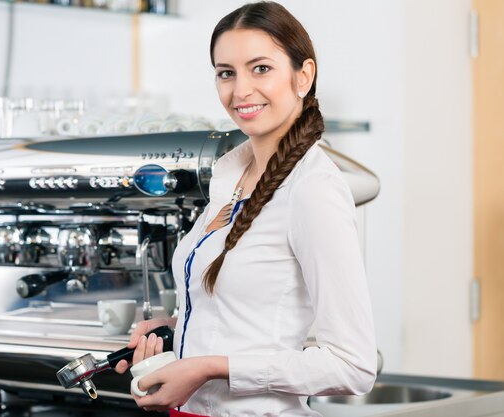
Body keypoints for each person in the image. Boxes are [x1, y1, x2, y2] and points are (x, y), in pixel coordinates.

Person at [114, 2, 377, 415]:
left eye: (261, 69)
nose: (240, 91)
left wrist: (211, 367)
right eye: (226, 73)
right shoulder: (229, 177)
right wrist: (178, 331)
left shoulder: (312, 189)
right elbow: (243, 316)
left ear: (302, 76)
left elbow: (353, 365)